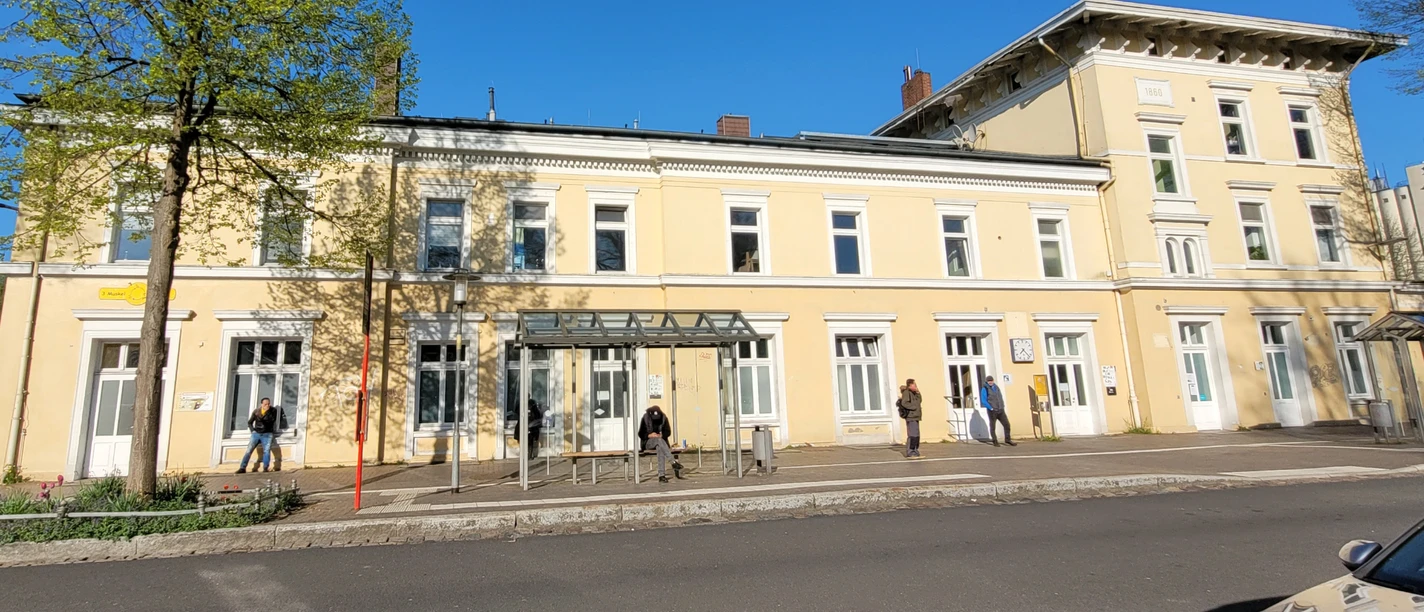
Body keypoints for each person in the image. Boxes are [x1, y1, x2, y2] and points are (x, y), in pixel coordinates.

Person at [637, 405, 683, 482]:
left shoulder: (664, 418)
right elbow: (640, 433)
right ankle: (673, 462)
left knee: (660, 447)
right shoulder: (645, 418)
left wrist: (662, 435)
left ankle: (661, 476)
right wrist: (649, 435)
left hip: (662, 443)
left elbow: (668, 432)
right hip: (648, 442)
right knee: (658, 441)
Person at [237, 397, 280, 473]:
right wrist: (252, 431)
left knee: (266, 451)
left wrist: (267, 412)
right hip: (256, 433)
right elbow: (250, 422)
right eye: (265, 404)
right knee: (249, 450)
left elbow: (271, 421)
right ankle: (242, 468)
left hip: (267, 433)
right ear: (262, 404)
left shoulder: (273, 411)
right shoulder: (257, 411)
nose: (267, 405)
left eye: (268, 404)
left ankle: (265, 468)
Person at [979, 376, 1016, 447]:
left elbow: (1000, 397)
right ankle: (995, 441)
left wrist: (1002, 405)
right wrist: (991, 408)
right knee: (993, 426)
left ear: (993, 381)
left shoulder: (996, 387)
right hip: (992, 411)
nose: (990, 382)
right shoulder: (985, 389)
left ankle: (1008, 439)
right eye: (989, 381)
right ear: (986, 381)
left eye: (991, 380)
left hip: (1000, 409)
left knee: (1007, 425)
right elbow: (984, 400)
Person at [898, 379, 924, 458]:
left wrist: (918, 393)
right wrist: (914, 408)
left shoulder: (914, 393)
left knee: (916, 435)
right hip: (911, 416)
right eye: (914, 384)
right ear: (910, 385)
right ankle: (911, 452)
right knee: (913, 435)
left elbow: (919, 401)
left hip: (916, 416)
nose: (915, 386)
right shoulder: (906, 393)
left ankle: (915, 450)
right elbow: (904, 403)